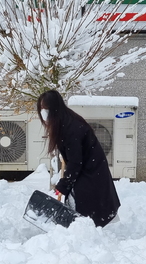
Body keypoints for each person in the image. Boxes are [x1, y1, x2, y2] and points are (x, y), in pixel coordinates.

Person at [37, 90, 120, 227]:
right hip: (89, 169)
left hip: (91, 171)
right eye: (41, 109)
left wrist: (63, 185)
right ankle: (82, 228)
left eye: (46, 109)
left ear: (55, 109)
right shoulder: (65, 122)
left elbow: (76, 162)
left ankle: (86, 231)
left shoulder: (71, 128)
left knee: (88, 204)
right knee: (82, 202)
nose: (43, 112)